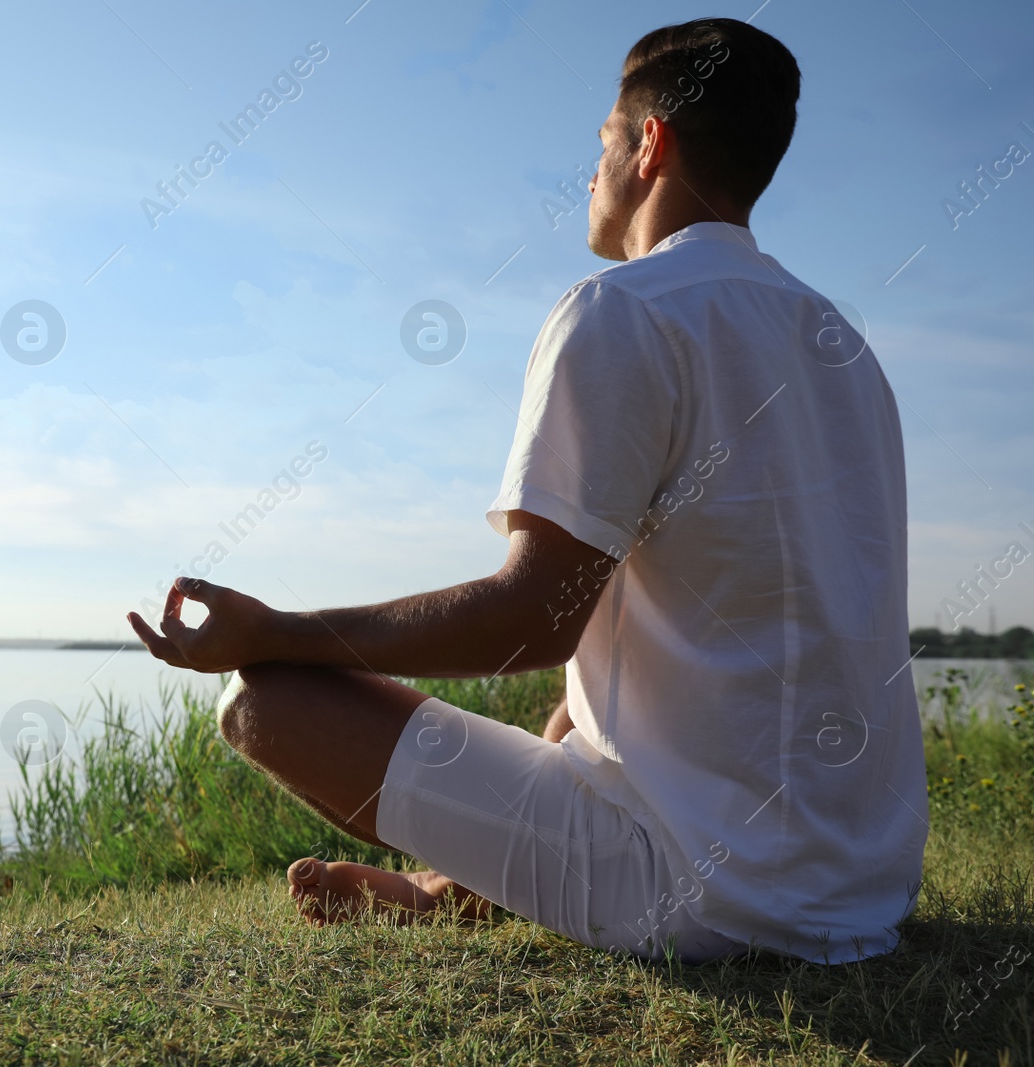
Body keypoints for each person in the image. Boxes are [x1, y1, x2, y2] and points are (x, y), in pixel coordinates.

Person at [128, 17, 926, 964]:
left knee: (267, 702)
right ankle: (442, 891)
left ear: (650, 144)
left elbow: (533, 615)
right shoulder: (842, 344)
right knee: (576, 710)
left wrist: (276, 633)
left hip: (708, 897)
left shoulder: (621, 313)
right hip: (866, 887)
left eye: (600, 142)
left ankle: (472, 880)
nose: (591, 173)